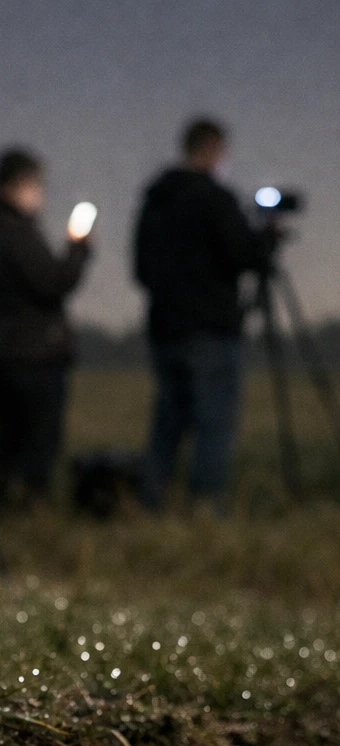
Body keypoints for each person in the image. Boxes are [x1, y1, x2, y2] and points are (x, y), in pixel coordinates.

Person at [134, 118, 276, 513]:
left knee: (168, 422)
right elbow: (242, 255)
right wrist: (265, 240)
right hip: (211, 329)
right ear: (213, 149)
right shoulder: (214, 199)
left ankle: (150, 501)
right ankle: (207, 508)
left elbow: (140, 270)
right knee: (215, 422)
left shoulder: (156, 200)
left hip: (165, 329)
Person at [0, 148, 91, 514]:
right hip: (31, 352)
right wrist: (78, 249)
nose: (41, 193)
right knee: (38, 437)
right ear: (19, 183)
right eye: (37, 185)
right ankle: (30, 508)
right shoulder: (14, 232)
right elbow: (51, 283)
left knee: (7, 435)